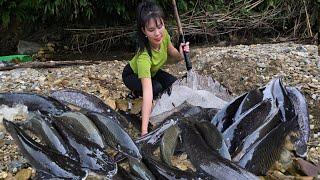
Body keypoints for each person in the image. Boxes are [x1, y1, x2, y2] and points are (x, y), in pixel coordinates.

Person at [122, 1, 190, 136]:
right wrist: (144, 131)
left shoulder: (164, 36)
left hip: (153, 72)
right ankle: (135, 93)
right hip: (132, 75)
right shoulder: (144, 57)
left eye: (160, 26)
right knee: (155, 88)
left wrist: (181, 54)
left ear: (163, 23)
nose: (157, 33)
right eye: (151, 30)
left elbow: (174, 56)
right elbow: (148, 94)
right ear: (144, 31)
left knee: (175, 84)